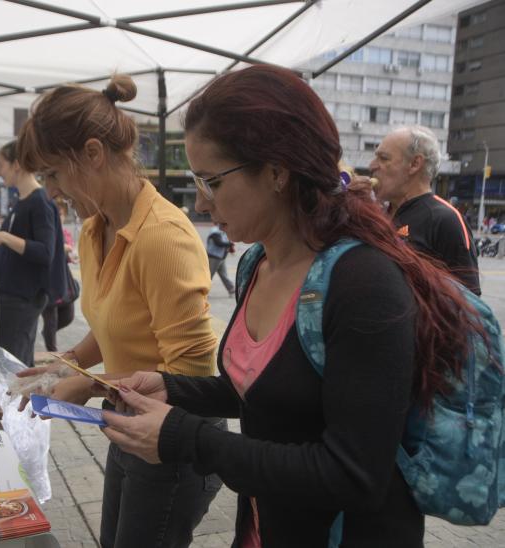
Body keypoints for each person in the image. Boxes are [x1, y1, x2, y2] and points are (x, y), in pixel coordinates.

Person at [99, 65, 489, 548]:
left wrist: (186, 437)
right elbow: (268, 391)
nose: (201, 205)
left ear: (277, 171)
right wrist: (170, 387)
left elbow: (354, 474)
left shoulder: (363, 283)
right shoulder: (257, 263)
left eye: (212, 182)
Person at [16, 74, 222, 548]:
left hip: (174, 441)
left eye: (53, 173)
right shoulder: (94, 230)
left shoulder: (162, 237)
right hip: (127, 423)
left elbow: (192, 372)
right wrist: (61, 366)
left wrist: (88, 385)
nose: (51, 191)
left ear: (92, 153)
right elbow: (111, 331)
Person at [0, 140, 65, 366]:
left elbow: (45, 252)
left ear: (17, 165)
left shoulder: (39, 202)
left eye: (1, 164)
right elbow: (19, 241)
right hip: (13, 294)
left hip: (24, 297)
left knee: (13, 365)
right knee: (10, 361)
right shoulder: (22, 201)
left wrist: (2, 237)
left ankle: (19, 402)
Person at [353, 126, 480, 294]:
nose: (372, 166)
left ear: (414, 164)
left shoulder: (445, 220)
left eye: (383, 158)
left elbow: (469, 300)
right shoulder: (379, 215)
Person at [40, 198, 77, 352]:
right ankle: (52, 349)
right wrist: (64, 248)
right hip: (47, 279)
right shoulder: (44, 231)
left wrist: (71, 254)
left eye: (61, 214)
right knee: (51, 317)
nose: (59, 217)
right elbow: (47, 249)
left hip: (63, 277)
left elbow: (69, 255)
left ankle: (48, 335)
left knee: (68, 315)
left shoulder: (65, 232)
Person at [206, 222, 235, 295]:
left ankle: (231, 288)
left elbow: (226, 241)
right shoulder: (215, 231)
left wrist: (230, 246)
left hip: (221, 257)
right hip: (214, 257)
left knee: (223, 274)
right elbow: (218, 242)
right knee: (209, 275)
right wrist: (229, 244)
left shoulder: (223, 231)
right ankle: (204, 290)